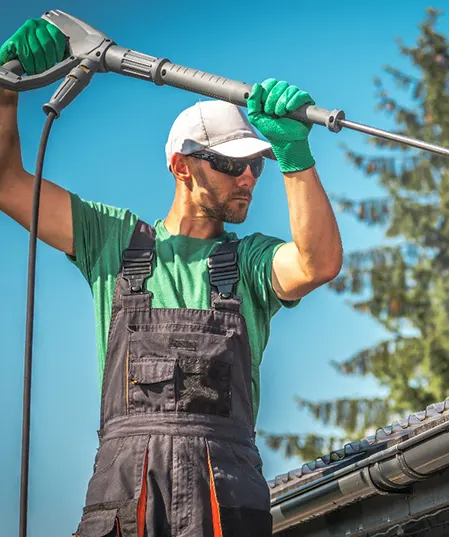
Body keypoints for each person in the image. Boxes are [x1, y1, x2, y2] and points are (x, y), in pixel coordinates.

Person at [0, 18, 343, 537]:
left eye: (257, 166)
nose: (248, 178)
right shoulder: (112, 240)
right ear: (183, 166)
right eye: (231, 165)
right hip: (126, 492)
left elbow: (318, 264)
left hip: (225, 492)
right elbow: (5, 182)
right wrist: (7, 86)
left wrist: (296, 156)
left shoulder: (248, 263)